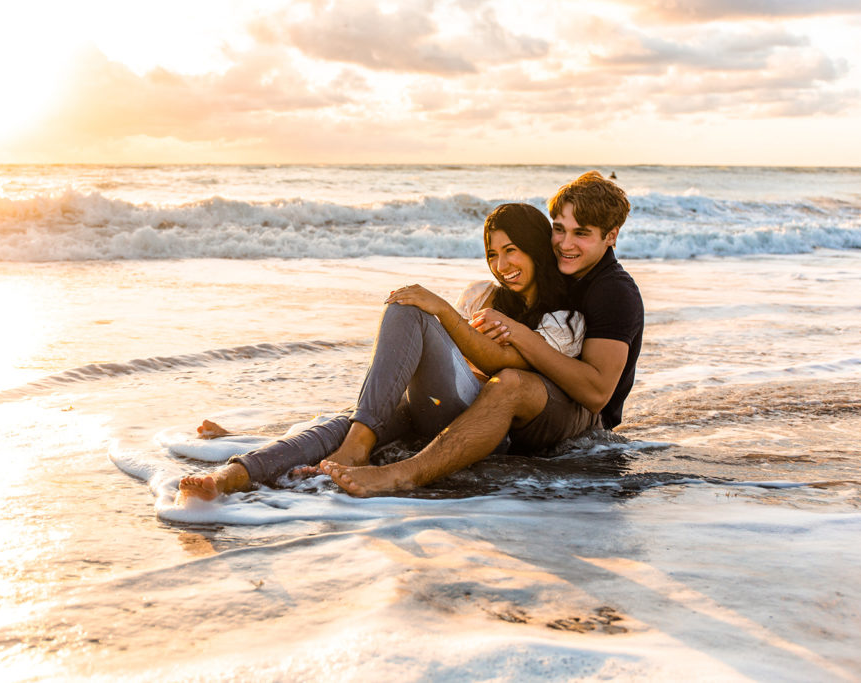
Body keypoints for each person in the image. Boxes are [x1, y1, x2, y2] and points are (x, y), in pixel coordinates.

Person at [178, 203, 585, 501]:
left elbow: (508, 367)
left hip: (480, 426)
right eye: (493, 254)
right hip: (434, 404)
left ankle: (357, 445)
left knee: (409, 309)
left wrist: (443, 312)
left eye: (512, 250)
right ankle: (231, 475)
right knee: (343, 427)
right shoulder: (480, 295)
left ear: (534, 248)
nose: (502, 264)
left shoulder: (565, 320)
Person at [321, 171, 643, 496]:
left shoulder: (612, 291)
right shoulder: (561, 271)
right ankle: (303, 462)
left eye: (582, 234)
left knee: (510, 383)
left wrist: (518, 335)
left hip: (580, 422)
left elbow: (596, 392)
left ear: (611, 236)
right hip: (532, 408)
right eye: (559, 230)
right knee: (402, 406)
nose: (565, 244)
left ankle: (405, 475)